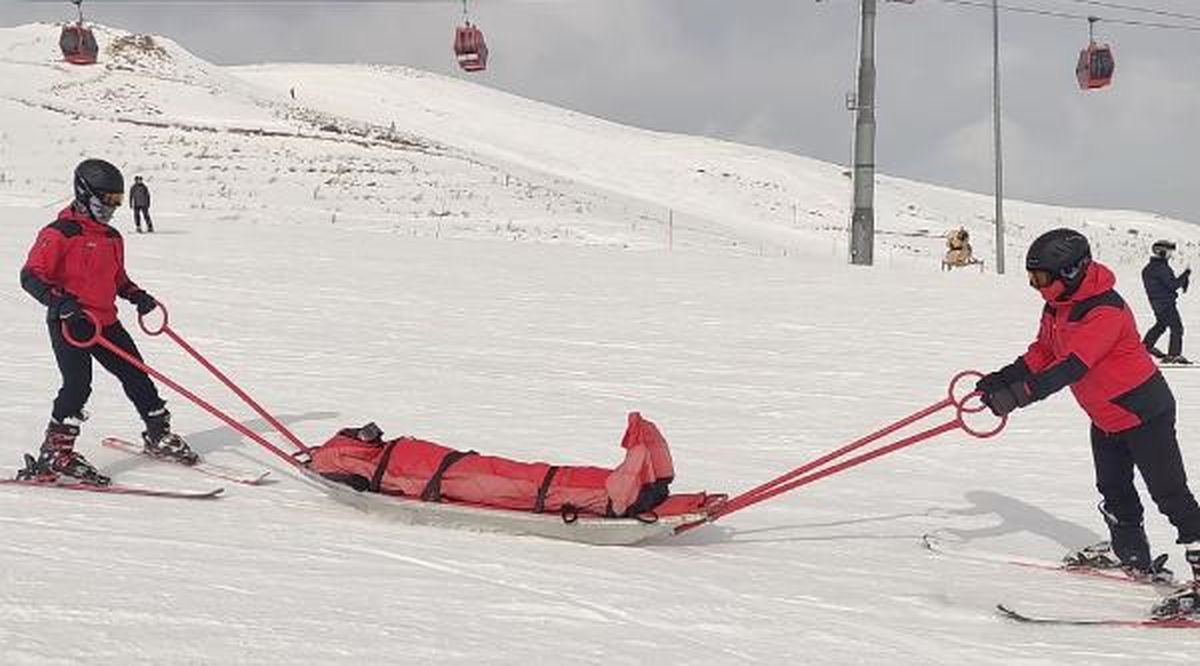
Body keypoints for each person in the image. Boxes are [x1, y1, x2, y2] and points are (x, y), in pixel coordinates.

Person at [975, 228, 1200, 618]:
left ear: (1073, 271)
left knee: (1171, 495)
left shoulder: (1105, 310)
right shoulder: (1058, 305)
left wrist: (1017, 396)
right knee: (1113, 490)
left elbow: (1070, 367)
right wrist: (1003, 378)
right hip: (1105, 415)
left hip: (1144, 412)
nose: (1036, 287)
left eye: (1042, 278)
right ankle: (1132, 556)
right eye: (1032, 278)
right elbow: (1044, 353)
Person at [17, 159, 198, 486]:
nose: (113, 207)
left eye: (118, 200)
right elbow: (30, 276)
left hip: (105, 321)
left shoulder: (112, 237)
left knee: (136, 374)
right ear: (84, 194)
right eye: (107, 199)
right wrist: (60, 303)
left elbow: (116, 279)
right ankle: (55, 451)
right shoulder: (59, 233)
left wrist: (137, 296)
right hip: (71, 322)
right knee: (77, 385)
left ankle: (158, 434)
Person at [1142, 239, 1191, 364]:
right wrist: (1185, 275)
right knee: (1177, 328)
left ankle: (1146, 347)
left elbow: (1169, 283)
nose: (1171, 255)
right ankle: (1173, 355)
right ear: (1162, 252)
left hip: (1158, 303)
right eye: (1169, 252)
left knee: (1161, 325)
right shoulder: (1160, 267)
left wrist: (1183, 279)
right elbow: (1173, 285)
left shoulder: (1153, 267)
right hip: (1165, 303)